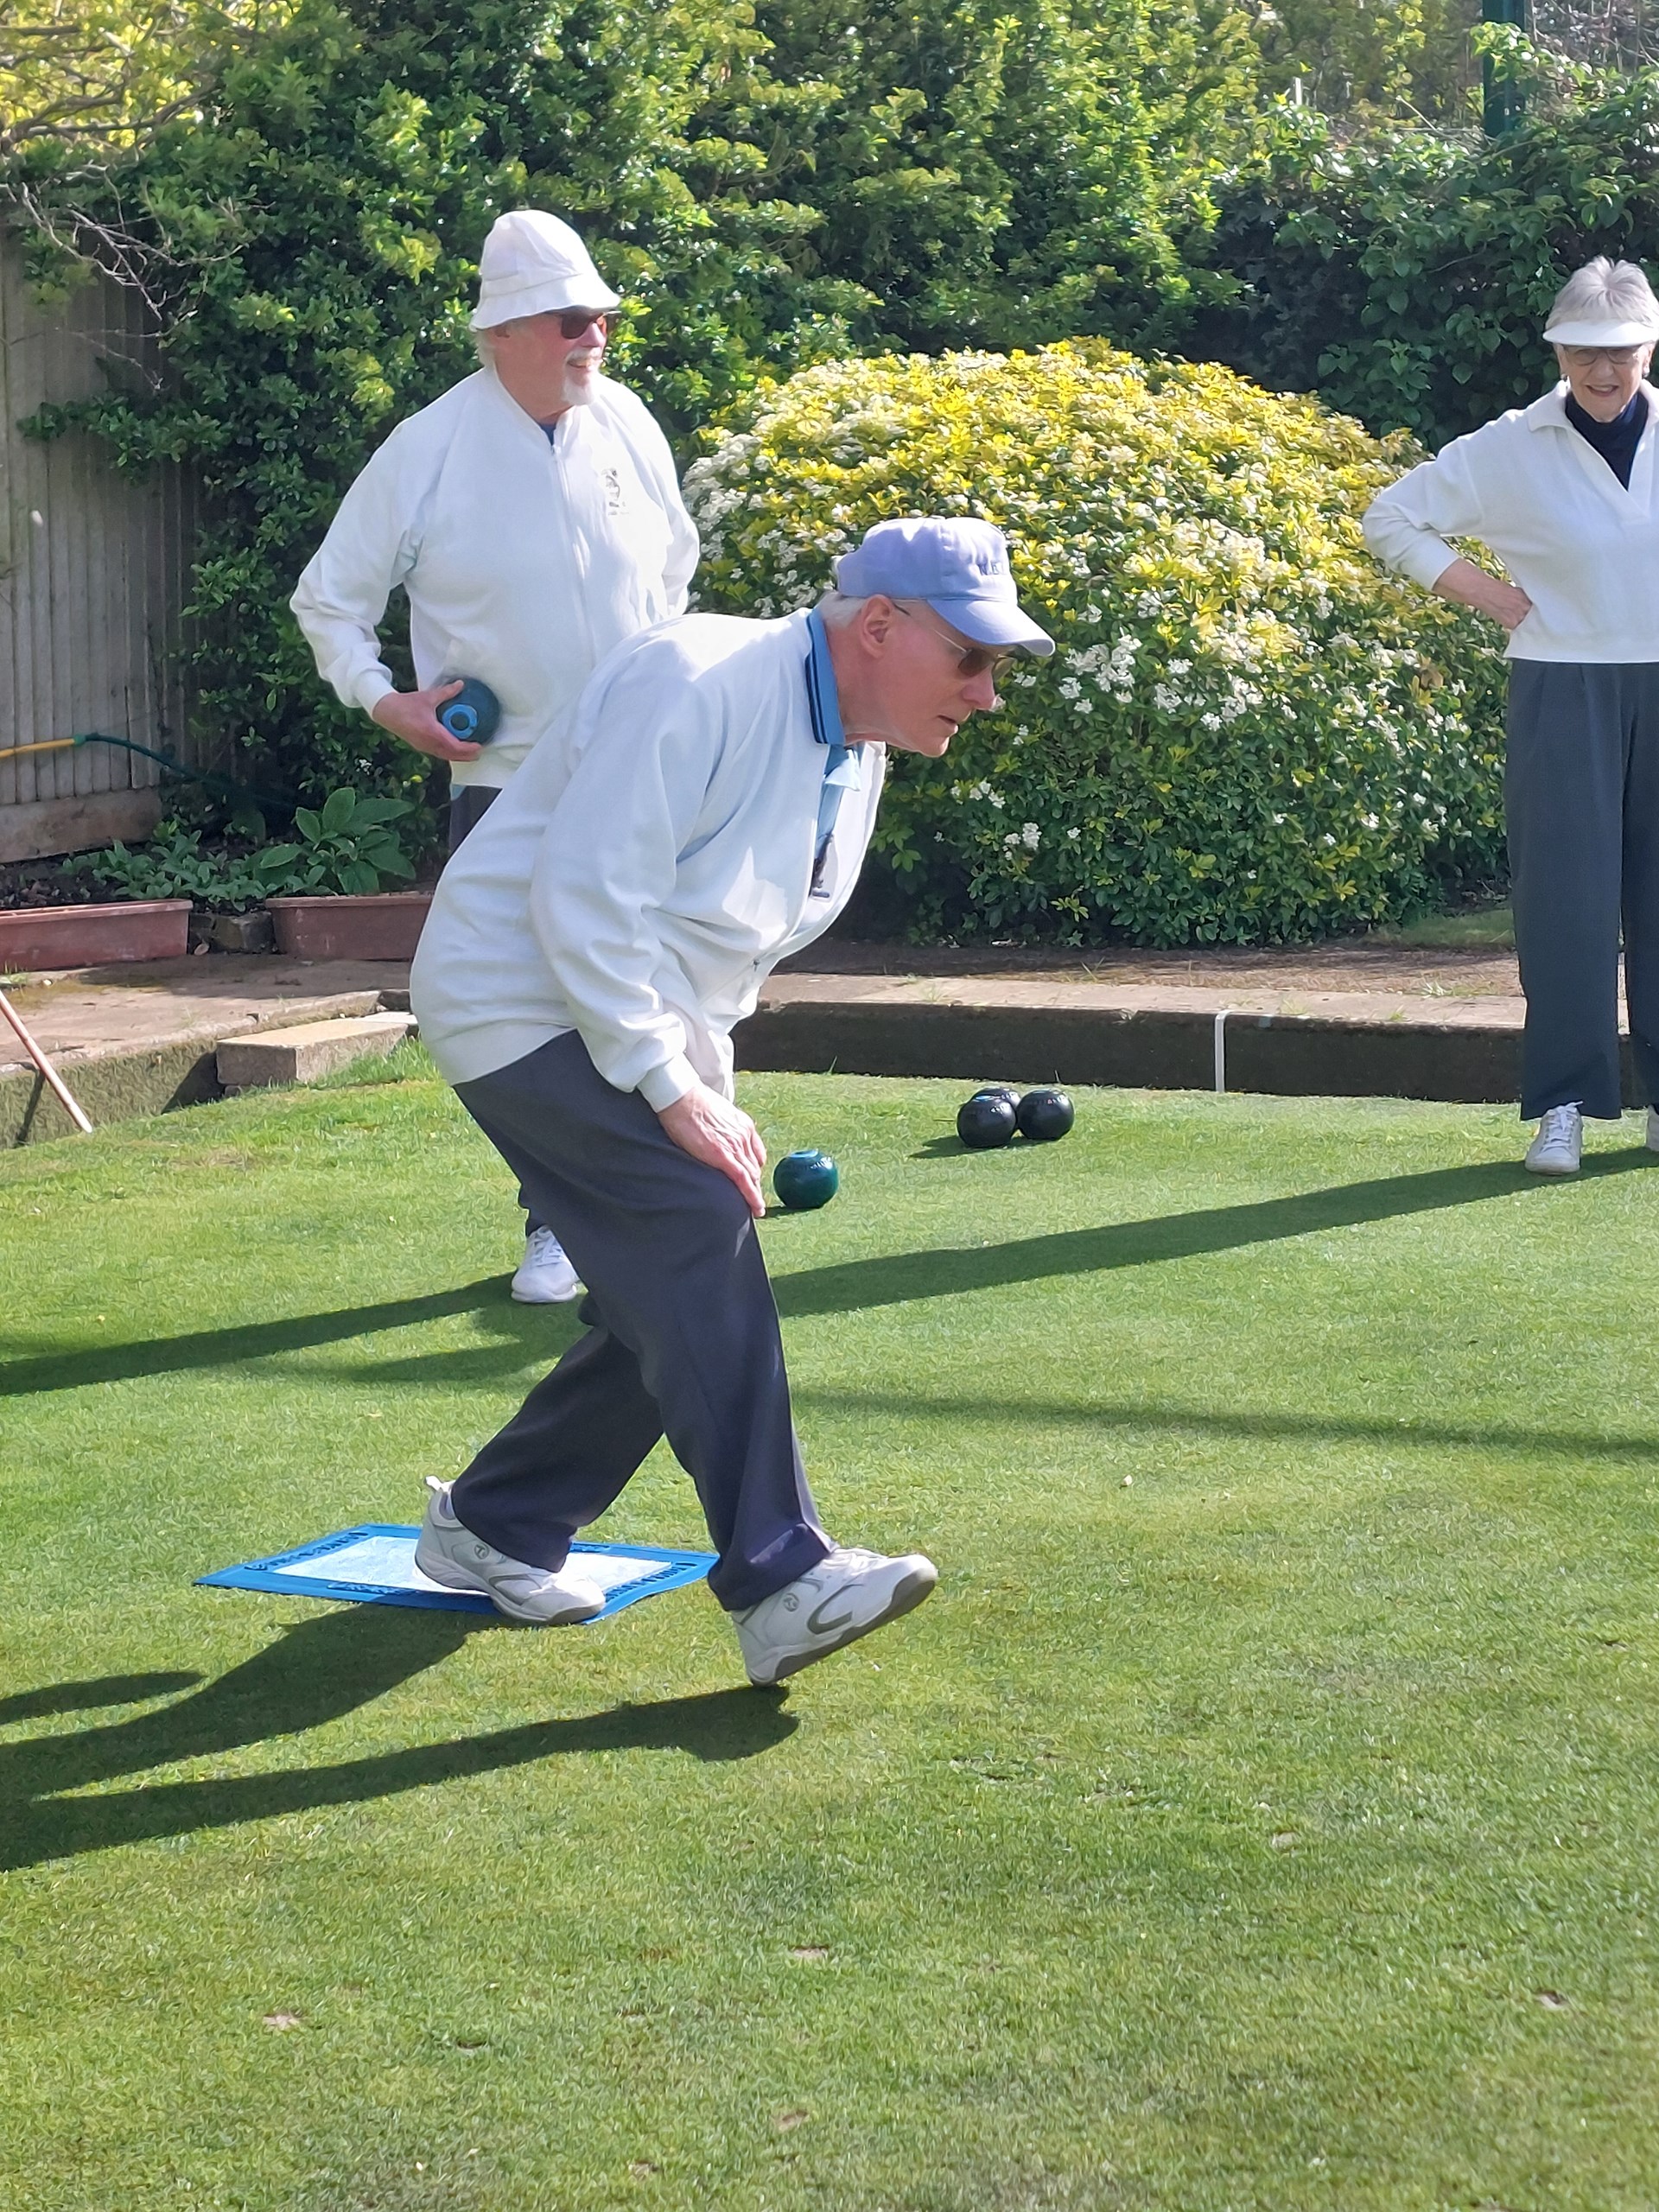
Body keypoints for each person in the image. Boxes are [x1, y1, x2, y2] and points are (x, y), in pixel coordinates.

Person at [407, 518, 1055, 1685]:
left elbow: (720, 949)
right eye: (971, 658)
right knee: (694, 1235)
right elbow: (586, 898)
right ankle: (779, 1577)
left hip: (628, 1008)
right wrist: (669, 1087)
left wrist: (704, 1087)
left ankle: (498, 1520)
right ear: (879, 624)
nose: (988, 694)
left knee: (673, 1280)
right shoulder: (698, 677)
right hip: (516, 994)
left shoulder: (853, 752)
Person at [292, 208, 699, 1295]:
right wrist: (388, 702)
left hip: (640, 770)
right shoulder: (426, 449)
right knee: (526, 1009)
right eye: (572, 319)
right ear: (507, 330)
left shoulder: (628, 423)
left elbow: (675, 570)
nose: (595, 337)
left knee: (646, 985)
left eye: (603, 318)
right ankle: (559, 1220)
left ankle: (658, 1200)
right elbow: (329, 601)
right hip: (507, 782)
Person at [1363, 256, 1659, 1176]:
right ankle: (1564, 1104)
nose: (1603, 371)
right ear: (1558, 352)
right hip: (1561, 686)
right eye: (1583, 352)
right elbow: (1390, 518)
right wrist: (1485, 593)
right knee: (1566, 903)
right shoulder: (1509, 445)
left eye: (1620, 352)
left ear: (1649, 348)